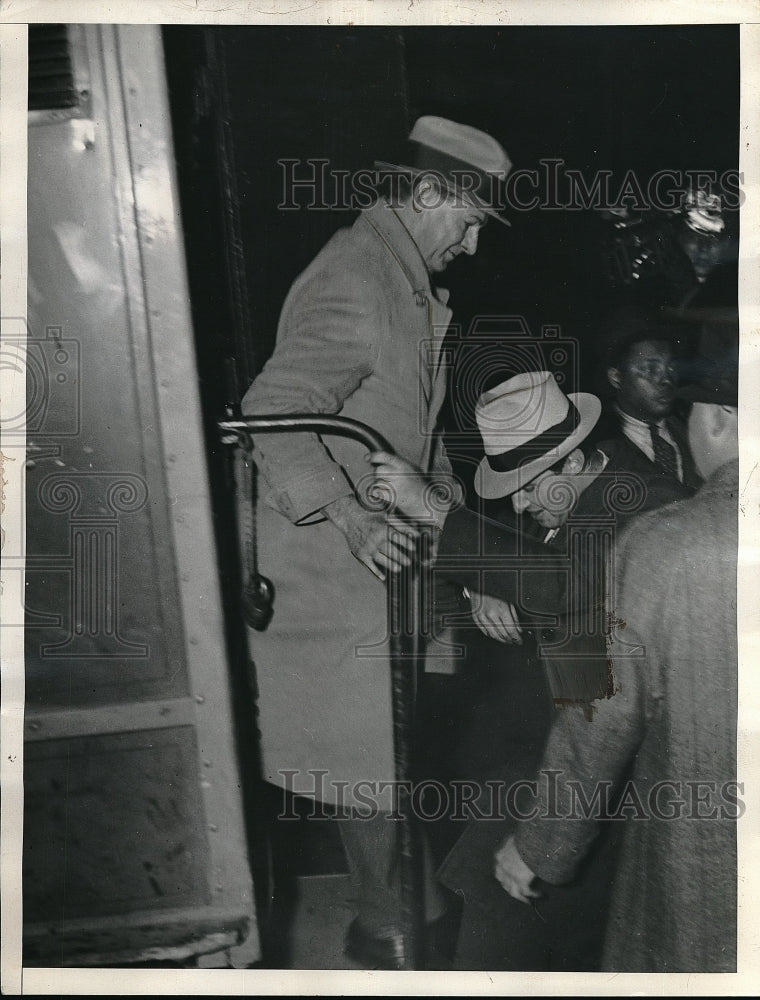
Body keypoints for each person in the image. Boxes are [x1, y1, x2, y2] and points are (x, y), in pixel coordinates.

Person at [240, 115, 512, 969]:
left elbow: (411, 445)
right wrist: (351, 515)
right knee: (363, 771)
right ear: (425, 192)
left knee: (383, 764)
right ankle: (395, 933)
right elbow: (268, 411)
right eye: (467, 220)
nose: (469, 246)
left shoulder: (399, 283)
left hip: (383, 571)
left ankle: (404, 918)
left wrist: (467, 555)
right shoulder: (359, 276)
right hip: (338, 572)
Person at [492, 316, 739, 971]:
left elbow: (602, 700)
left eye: (525, 487)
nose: (518, 507)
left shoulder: (655, 515)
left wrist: (541, 843)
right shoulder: (598, 495)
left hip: (674, 816)